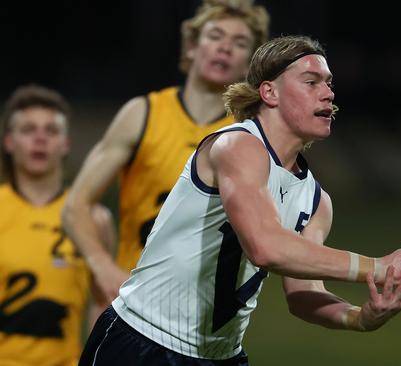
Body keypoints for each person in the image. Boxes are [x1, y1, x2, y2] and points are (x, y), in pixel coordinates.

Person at [78, 35, 401, 365]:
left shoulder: (317, 201)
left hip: (222, 356)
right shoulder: (238, 145)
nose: (328, 94)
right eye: (311, 82)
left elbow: (303, 294)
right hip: (143, 341)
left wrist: (360, 318)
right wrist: (377, 267)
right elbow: (265, 247)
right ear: (269, 92)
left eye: (329, 83)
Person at [62, 0, 271, 306]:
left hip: (201, 311)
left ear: (249, 65)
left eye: (239, 43)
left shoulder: (251, 136)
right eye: (215, 36)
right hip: (134, 302)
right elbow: (76, 205)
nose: (225, 47)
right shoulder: (143, 114)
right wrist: (104, 268)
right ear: (190, 47)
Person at [0, 84, 115, 365]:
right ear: (9, 142)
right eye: (28, 130)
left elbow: (103, 303)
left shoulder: (93, 220)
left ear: (65, 144)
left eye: (51, 131)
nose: (40, 139)